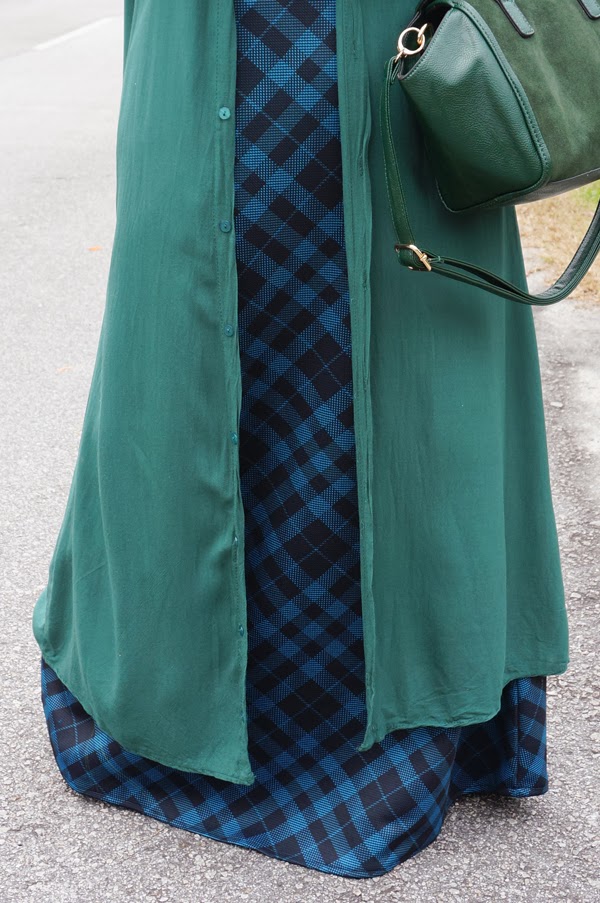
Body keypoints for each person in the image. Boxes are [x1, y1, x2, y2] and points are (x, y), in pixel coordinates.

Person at [33, 0, 569, 879]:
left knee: (408, 384)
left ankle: (412, 729)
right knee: (190, 346)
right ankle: (181, 707)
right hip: (206, 67)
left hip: (404, 76)